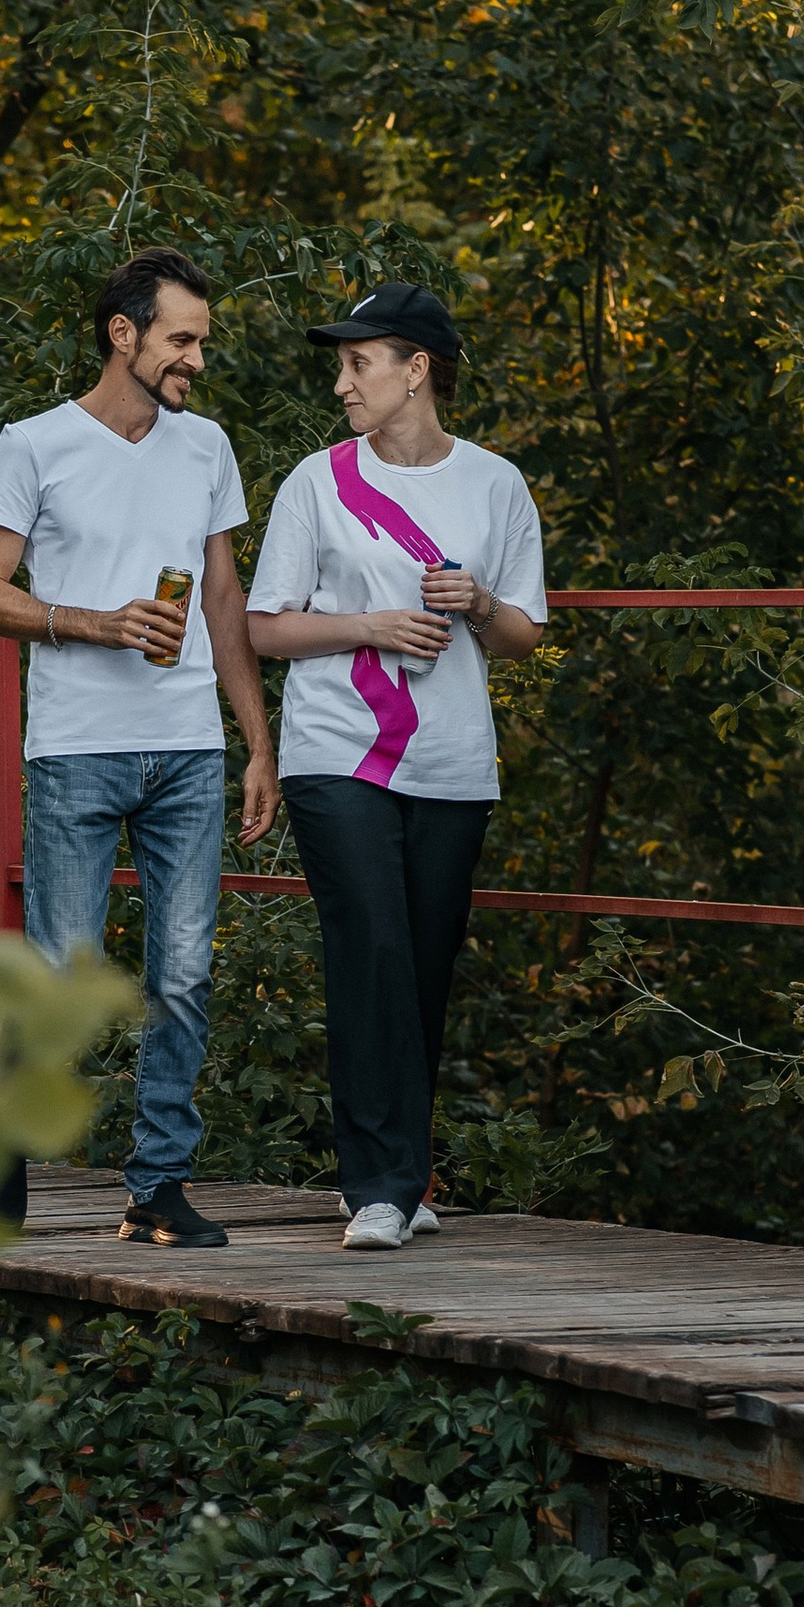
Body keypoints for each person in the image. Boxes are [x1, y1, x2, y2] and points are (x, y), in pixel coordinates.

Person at [0, 248, 279, 1244]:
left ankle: (158, 1187)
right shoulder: (35, 444)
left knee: (182, 975)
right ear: (123, 333)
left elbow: (223, 600)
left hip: (187, 750)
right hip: (79, 749)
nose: (195, 359)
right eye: (181, 339)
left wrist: (256, 742)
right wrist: (98, 623)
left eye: (201, 341)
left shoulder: (206, 447)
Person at [246, 281, 545, 1252]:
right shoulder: (316, 481)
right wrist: (368, 625)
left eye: (357, 361)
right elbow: (263, 627)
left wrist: (479, 601)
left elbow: (523, 636)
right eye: (341, 363)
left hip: (453, 762)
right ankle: (377, 1182)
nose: (341, 382)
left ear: (416, 370)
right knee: (369, 945)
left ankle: (402, 1174)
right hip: (339, 751)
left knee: (422, 963)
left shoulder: (495, 484)